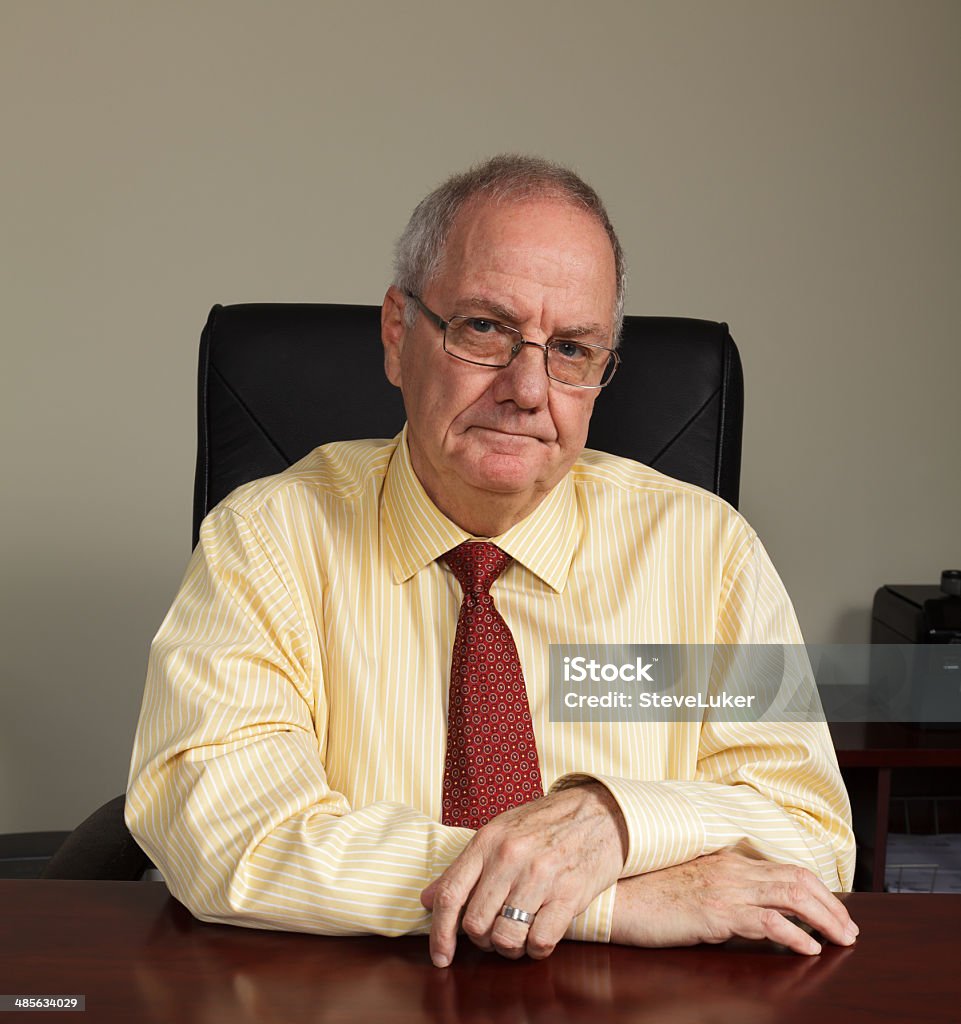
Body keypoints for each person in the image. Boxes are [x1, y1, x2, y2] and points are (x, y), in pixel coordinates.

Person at [126, 155, 857, 967]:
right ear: (398, 334)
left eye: (572, 348)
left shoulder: (704, 553)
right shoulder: (266, 541)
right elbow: (225, 829)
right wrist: (594, 896)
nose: (529, 387)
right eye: (485, 329)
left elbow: (812, 836)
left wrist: (615, 823)